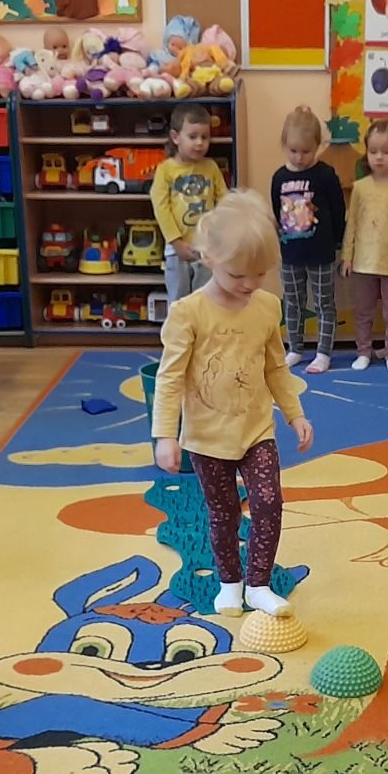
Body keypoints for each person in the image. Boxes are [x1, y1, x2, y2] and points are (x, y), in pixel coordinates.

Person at [152, 191, 314, 617]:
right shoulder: (188, 314)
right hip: (206, 438)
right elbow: (169, 377)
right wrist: (165, 435)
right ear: (208, 258)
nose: (249, 284)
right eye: (238, 274)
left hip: (256, 430)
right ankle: (230, 584)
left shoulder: (266, 307)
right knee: (223, 513)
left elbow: (276, 367)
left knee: (269, 502)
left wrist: (295, 413)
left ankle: (258, 584)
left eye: (260, 274)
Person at [270, 105, 345, 375]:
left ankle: (323, 352)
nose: (299, 158)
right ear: (284, 144)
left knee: (324, 303)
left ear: (317, 146)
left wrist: (337, 242)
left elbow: (338, 210)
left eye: (306, 151)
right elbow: (276, 210)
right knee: (293, 301)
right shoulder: (280, 177)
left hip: (321, 252)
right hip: (291, 252)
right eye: (293, 151)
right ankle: (295, 348)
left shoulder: (325, 174)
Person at [339, 121, 388, 372]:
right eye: (373, 151)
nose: (379, 157)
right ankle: (363, 351)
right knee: (363, 311)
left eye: (386, 151)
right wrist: (347, 256)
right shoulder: (360, 188)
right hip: (362, 262)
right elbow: (352, 224)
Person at [150, 102, 228, 308]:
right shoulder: (165, 170)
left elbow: (223, 201)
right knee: (179, 304)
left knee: (206, 302)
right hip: (177, 251)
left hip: (207, 249)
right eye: (193, 137)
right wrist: (176, 242)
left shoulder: (211, 167)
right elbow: (161, 208)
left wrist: (219, 238)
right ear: (176, 137)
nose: (200, 143)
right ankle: (179, 333)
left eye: (205, 137)